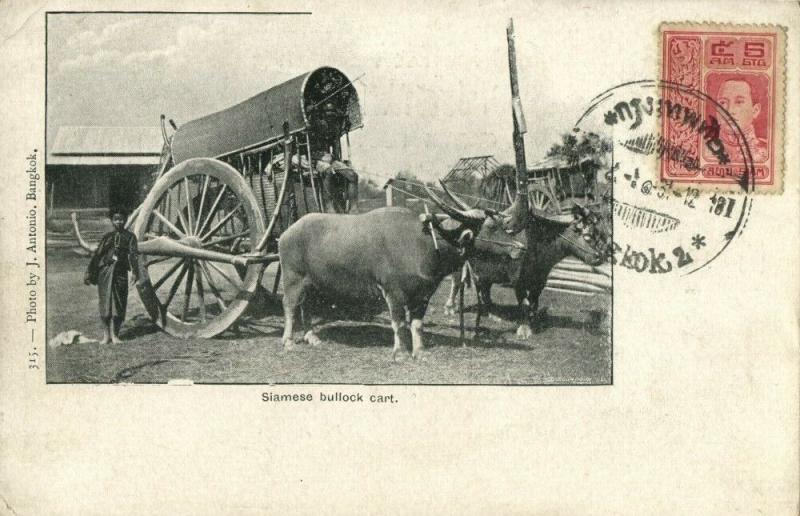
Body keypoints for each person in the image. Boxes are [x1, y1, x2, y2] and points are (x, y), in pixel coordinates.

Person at [84, 208, 140, 344]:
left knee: (119, 303)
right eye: (116, 219)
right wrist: (90, 272)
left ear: (125, 220)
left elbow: (133, 255)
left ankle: (115, 335)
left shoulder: (130, 237)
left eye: (121, 219)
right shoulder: (107, 237)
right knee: (105, 303)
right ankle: (106, 336)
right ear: (112, 220)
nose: (119, 222)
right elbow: (97, 255)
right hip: (105, 272)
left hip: (120, 273)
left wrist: (135, 272)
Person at [715, 78, 769, 162]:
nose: (729, 111)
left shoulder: (767, 149)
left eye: (739, 102)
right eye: (723, 102)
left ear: (755, 111)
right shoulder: (701, 149)